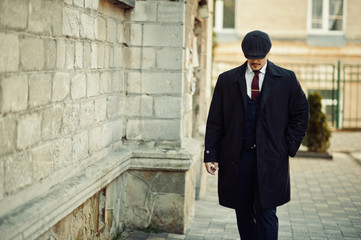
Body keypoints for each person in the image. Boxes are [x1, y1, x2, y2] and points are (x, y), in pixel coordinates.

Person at [203, 30, 309, 240]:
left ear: (267, 53)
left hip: (270, 160)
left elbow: (301, 113)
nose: (255, 60)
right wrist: (211, 154)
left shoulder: (286, 79)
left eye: (259, 56)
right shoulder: (227, 80)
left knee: (266, 212)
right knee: (242, 212)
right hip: (237, 159)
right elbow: (215, 120)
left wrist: (286, 146)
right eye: (251, 56)